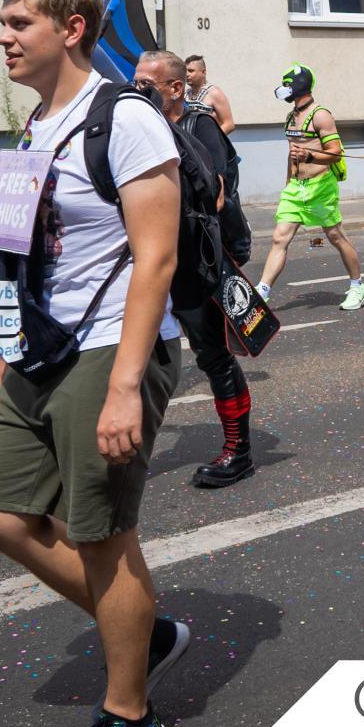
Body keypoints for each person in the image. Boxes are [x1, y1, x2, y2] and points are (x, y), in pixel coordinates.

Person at [0, 0, 189, 727]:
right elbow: (21, 248)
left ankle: (132, 716)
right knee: (0, 517)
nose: (4, 35)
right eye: (4, 21)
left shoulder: (125, 119)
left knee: (100, 535)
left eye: (19, 22)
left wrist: (126, 385)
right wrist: (5, 349)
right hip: (41, 350)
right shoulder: (38, 124)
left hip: (109, 350)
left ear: (70, 29)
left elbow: (156, 259)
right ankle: (144, 628)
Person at [131, 50, 258, 490]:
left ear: (175, 88)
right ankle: (129, 448)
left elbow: (214, 193)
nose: (138, 91)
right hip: (147, 268)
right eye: (135, 83)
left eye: (147, 85)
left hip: (194, 264)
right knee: (136, 358)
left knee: (214, 359)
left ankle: (237, 450)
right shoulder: (137, 129)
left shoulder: (198, 126)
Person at [257, 64, 364, 311]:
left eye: (287, 84)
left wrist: (309, 157)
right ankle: (262, 292)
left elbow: (335, 153)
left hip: (321, 186)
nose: (283, 89)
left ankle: (358, 287)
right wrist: (288, 185)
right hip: (296, 189)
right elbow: (292, 154)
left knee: (335, 236)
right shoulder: (291, 116)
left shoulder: (320, 115)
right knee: (279, 238)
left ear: (299, 86)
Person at [183, 54, 235, 134]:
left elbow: (229, 124)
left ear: (203, 72)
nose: (187, 74)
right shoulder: (185, 95)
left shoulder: (214, 93)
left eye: (191, 71)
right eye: (185, 71)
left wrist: (212, 140)